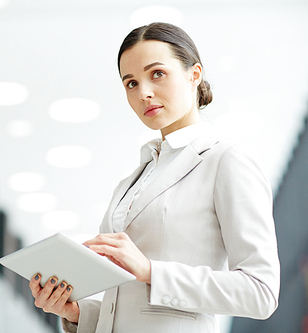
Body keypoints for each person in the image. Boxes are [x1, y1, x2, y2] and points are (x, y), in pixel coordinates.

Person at [29, 22, 280, 333]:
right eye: (131, 83)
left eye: (157, 74)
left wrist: (151, 271)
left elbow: (261, 292)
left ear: (194, 75)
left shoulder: (226, 161)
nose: (144, 93)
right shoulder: (136, 177)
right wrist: (77, 312)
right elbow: (133, 305)